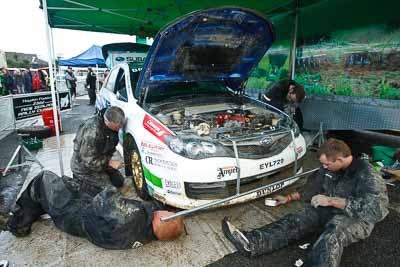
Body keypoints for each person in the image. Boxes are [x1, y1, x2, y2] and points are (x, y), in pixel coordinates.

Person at [222, 138, 389, 267]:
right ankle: (252, 243)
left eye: (326, 164)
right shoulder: (328, 167)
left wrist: (333, 201)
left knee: (331, 236)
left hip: (356, 217)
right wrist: (288, 198)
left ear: (339, 160)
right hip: (329, 207)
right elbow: (312, 187)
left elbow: (378, 209)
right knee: (299, 218)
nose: (323, 167)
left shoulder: (368, 174)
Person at [7, 170, 184, 249]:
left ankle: (17, 224)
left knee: (42, 179)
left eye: (170, 214)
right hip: (85, 221)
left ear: (161, 220)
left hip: (72, 213)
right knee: (65, 182)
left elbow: (105, 197)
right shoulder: (144, 234)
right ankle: (38, 207)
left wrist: (108, 185)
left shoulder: (134, 216)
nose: (170, 212)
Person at [69, 106, 126, 196]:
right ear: (108, 121)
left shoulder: (110, 127)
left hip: (100, 160)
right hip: (84, 167)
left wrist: (108, 163)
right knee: (110, 192)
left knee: (119, 181)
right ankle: (81, 182)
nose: (120, 128)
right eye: (118, 126)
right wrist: (110, 163)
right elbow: (89, 161)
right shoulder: (92, 132)